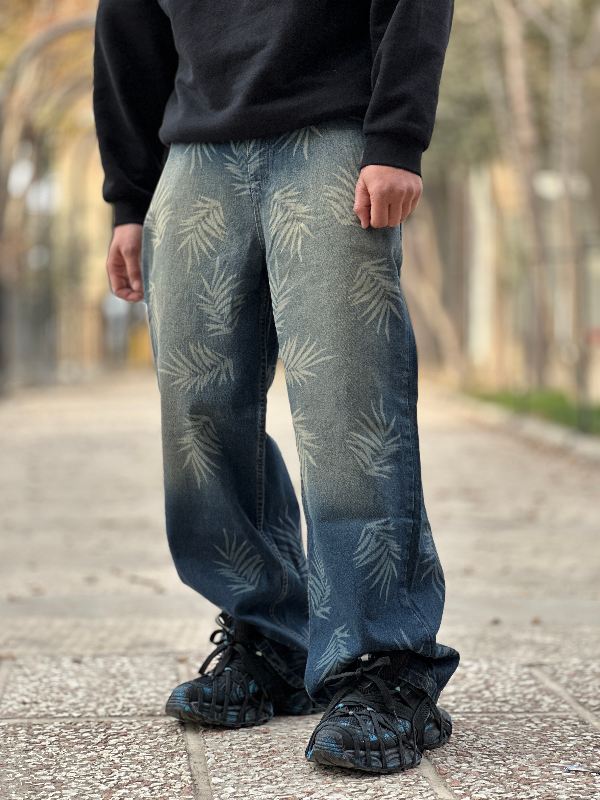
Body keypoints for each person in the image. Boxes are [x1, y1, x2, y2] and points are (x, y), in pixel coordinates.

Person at [92, 0, 460, 775]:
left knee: (348, 409)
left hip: (334, 126)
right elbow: (127, 19)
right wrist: (129, 195)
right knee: (197, 411)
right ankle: (270, 635)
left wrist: (397, 134)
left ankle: (386, 665)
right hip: (194, 144)